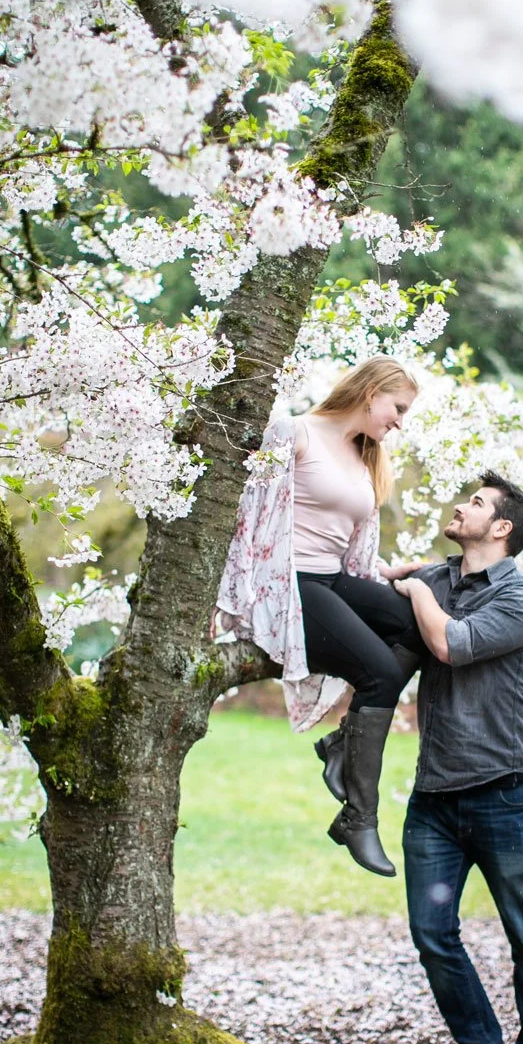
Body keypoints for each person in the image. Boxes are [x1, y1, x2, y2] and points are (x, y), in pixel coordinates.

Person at [216, 357, 426, 878]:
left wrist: (385, 573)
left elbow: (346, 543)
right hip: (291, 585)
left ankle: (341, 743)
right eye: (397, 408)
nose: (399, 421)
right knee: (377, 671)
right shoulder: (294, 433)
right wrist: (228, 602)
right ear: (372, 391)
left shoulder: (365, 458)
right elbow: (250, 520)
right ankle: (360, 817)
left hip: (332, 580)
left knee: (415, 623)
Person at [392, 472, 523, 1044]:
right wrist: (403, 577)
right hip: (434, 799)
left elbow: (450, 644)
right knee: (432, 932)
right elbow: (380, 579)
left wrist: (412, 586)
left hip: (506, 796)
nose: (462, 505)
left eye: (479, 503)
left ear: (502, 529)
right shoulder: (437, 579)